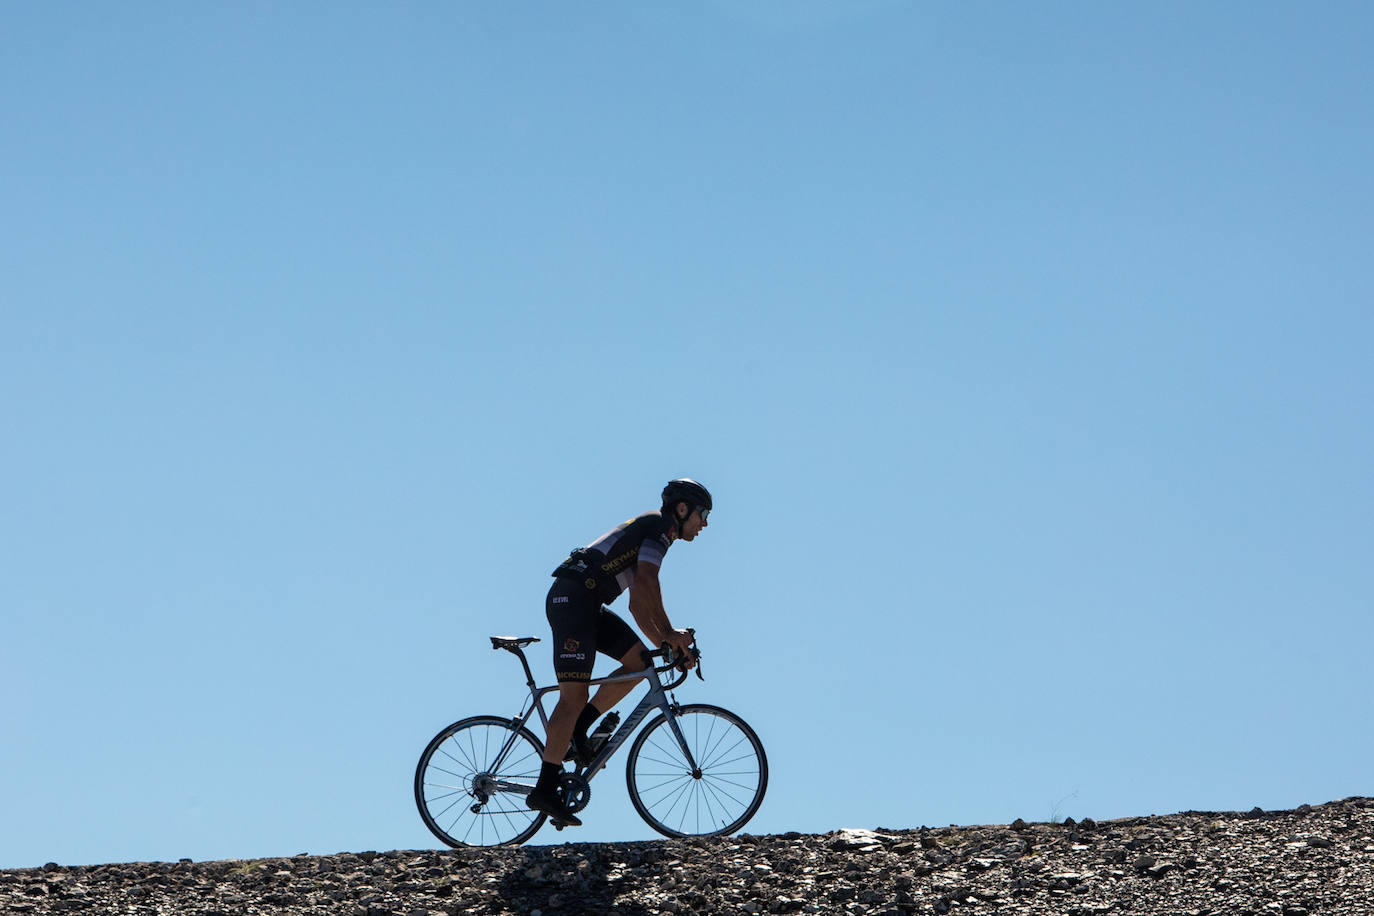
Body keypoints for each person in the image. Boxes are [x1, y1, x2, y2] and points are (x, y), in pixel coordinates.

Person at [524, 478, 712, 826]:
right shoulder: (660, 527)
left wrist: (667, 645)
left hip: (586, 602)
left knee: (639, 664)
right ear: (682, 509)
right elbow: (644, 588)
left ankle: (577, 733)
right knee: (573, 695)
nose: (705, 524)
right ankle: (545, 787)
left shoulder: (659, 530)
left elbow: (639, 607)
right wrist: (670, 636)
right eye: (703, 514)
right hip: (573, 601)